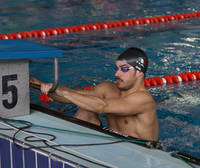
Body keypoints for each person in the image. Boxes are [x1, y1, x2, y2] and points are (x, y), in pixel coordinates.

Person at [30, 47, 159, 141]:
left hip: (138, 153)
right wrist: (44, 86)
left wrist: (63, 91)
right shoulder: (109, 88)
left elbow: (101, 106)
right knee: (85, 109)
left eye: (124, 69)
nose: (117, 74)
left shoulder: (144, 99)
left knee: (90, 104)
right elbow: (71, 97)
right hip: (111, 143)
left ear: (139, 74)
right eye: (116, 68)